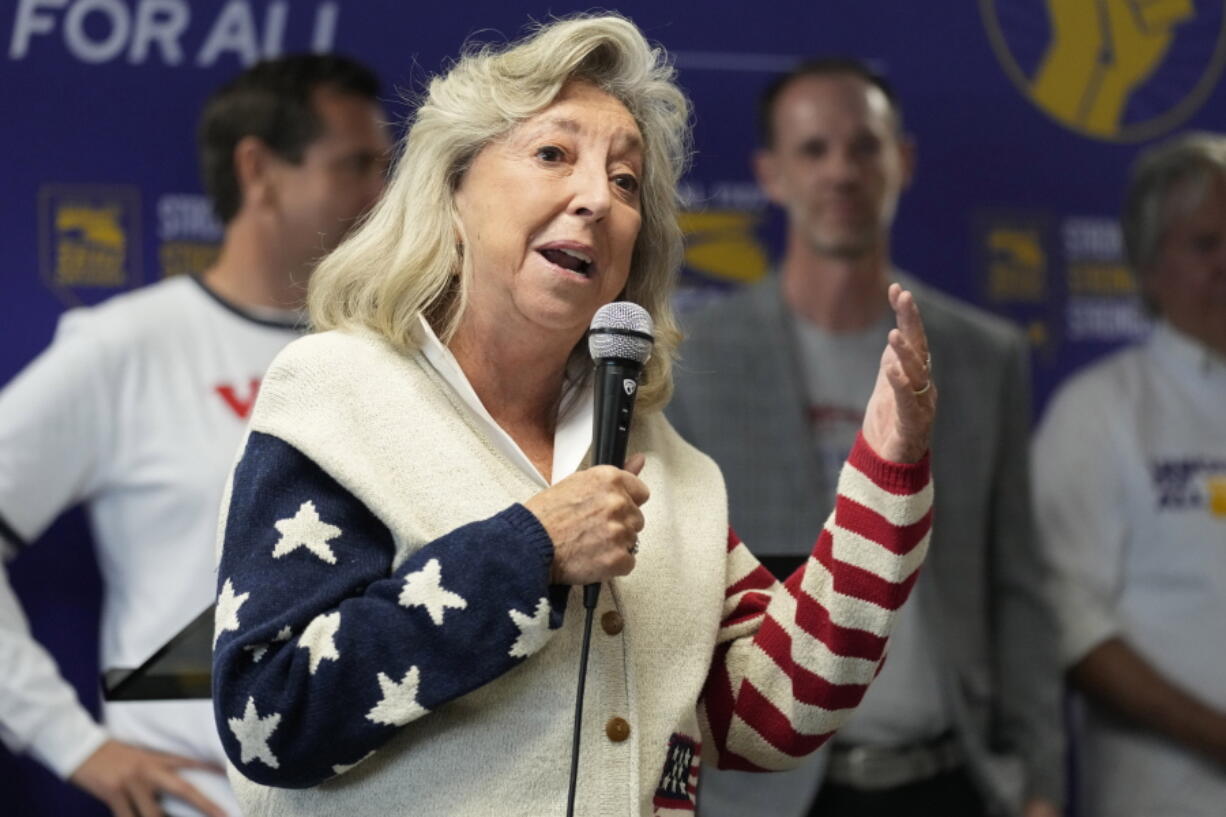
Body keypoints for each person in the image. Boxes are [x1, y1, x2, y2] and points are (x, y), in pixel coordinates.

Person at [210, 15, 938, 816]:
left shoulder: (673, 469)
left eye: (626, 182)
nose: (596, 198)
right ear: (451, 192)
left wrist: (887, 467)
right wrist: (533, 550)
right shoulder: (339, 393)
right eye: (553, 154)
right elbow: (271, 716)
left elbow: (771, 714)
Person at [667, 59, 1063, 817]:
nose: (841, 171)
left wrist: (1040, 780)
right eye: (814, 150)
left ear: (901, 161)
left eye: (864, 146)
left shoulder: (984, 356)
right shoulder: (693, 361)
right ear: (770, 174)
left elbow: (1017, 585)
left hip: (952, 777)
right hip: (766, 796)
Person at [0, 54, 390, 817]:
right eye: (356, 166)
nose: (383, 196)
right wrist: (70, 740)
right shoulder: (125, 348)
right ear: (259, 170)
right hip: (205, 799)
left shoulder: (397, 356)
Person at [1032, 132, 1226, 816]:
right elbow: (1070, 622)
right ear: (1147, 268)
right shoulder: (1099, 410)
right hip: (1164, 796)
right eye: (1205, 244)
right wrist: (1217, 734)